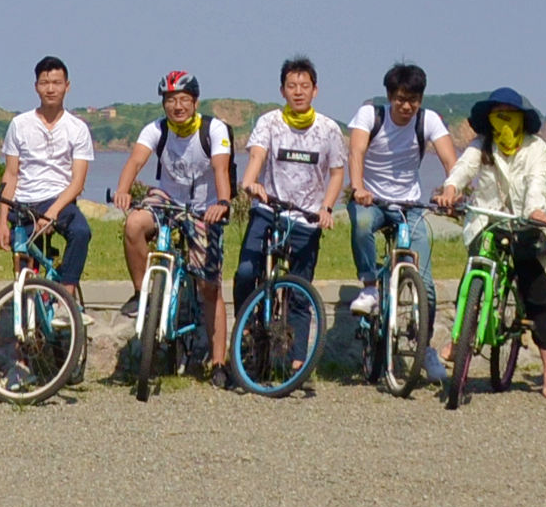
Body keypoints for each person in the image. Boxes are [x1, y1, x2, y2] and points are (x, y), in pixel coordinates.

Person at [437, 87, 546, 397]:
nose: (503, 120)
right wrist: (450, 189)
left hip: (525, 223)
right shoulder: (481, 144)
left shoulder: (537, 147)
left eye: (510, 113)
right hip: (487, 219)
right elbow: (462, 170)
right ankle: (460, 336)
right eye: (497, 113)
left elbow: (538, 182)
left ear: (522, 117)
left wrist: (536, 209)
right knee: (474, 271)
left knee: (537, 298)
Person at [115, 71, 232, 371]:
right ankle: (142, 293)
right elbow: (136, 161)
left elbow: (221, 168)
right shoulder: (157, 129)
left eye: (183, 99)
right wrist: (123, 191)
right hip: (166, 198)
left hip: (204, 206)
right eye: (170, 100)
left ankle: (219, 361)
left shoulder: (213, 129)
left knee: (209, 285)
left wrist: (222, 202)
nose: (177, 106)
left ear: (195, 102)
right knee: (134, 225)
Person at [236, 56, 346, 352]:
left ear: (315, 91)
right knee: (246, 272)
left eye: (304, 86)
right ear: (282, 90)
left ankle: (298, 361)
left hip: (307, 219)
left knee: (300, 292)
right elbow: (257, 156)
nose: (298, 91)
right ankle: (243, 330)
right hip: (269, 210)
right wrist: (251, 182)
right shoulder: (269, 122)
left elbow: (337, 173)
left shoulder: (329, 129)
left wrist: (326, 208)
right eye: (292, 86)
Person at [341, 62, 456, 325]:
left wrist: (450, 189)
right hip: (373, 200)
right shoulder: (370, 115)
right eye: (401, 99)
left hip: (409, 205)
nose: (407, 107)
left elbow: (451, 161)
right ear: (391, 96)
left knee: (425, 283)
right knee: (363, 223)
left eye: (413, 100)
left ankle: (425, 349)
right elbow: (355, 151)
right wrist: (358, 188)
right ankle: (369, 285)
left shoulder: (429, 120)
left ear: (421, 99)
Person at [0, 57, 96, 291]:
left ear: (67, 86)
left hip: (58, 200)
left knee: (81, 232)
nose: (50, 89)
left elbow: (77, 182)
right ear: (36, 87)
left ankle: (67, 294)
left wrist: (52, 213)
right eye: (44, 83)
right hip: (24, 201)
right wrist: (2, 220)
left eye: (56, 82)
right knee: (24, 271)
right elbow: (11, 175)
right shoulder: (20, 124)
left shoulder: (77, 128)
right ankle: (26, 310)